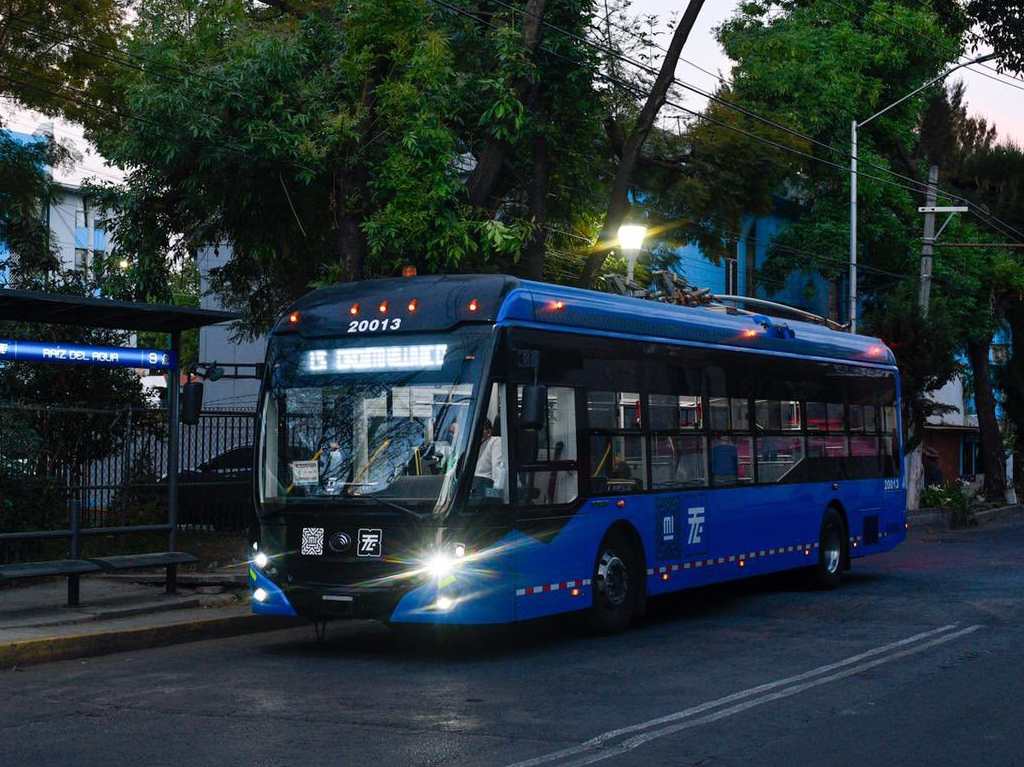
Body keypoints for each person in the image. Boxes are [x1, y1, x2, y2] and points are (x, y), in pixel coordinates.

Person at [474, 417, 505, 490]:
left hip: (486, 489)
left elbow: (498, 472)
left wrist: (495, 493)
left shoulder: (496, 442)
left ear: (489, 432)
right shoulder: (473, 446)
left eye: (480, 430)